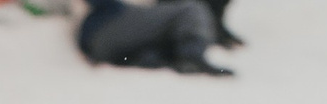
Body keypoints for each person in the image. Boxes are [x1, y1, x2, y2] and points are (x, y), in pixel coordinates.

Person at [75, 0, 231, 74]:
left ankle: (150, 58)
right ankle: (192, 57)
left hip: (102, 39)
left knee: (167, 34)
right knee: (192, 9)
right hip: (107, 22)